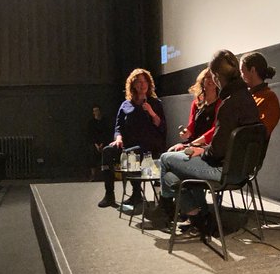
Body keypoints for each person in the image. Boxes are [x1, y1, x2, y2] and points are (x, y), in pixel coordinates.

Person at [149, 50, 261, 233]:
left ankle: (169, 208)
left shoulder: (229, 104)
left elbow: (217, 151)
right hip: (242, 171)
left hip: (222, 170)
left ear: (217, 77)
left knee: (166, 160)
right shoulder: (247, 99)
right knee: (171, 176)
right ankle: (198, 216)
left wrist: (200, 150)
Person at [97, 68, 166, 209]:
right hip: (128, 145)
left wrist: (152, 113)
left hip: (148, 146)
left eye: (144, 81)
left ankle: (136, 193)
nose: (142, 84)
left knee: (133, 153)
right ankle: (109, 194)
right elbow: (118, 127)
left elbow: (162, 126)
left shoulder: (155, 103)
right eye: (138, 82)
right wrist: (118, 138)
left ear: (149, 83)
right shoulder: (125, 105)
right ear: (133, 85)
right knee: (107, 151)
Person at [240, 52, 280, 138]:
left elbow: (260, 133)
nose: (241, 76)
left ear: (252, 70)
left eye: (242, 71)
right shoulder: (245, 96)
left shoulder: (269, 98)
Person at [86, 105, 109, 181]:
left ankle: (106, 174)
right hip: (94, 143)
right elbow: (91, 135)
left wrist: (102, 144)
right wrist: (96, 145)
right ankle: (93, 175)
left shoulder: (104, 121)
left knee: (106, 152)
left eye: (97, 110)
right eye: (95, 111)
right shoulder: (91, 122)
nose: (96, 112)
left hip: (104, 142)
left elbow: (106, 133)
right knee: (92, 152)